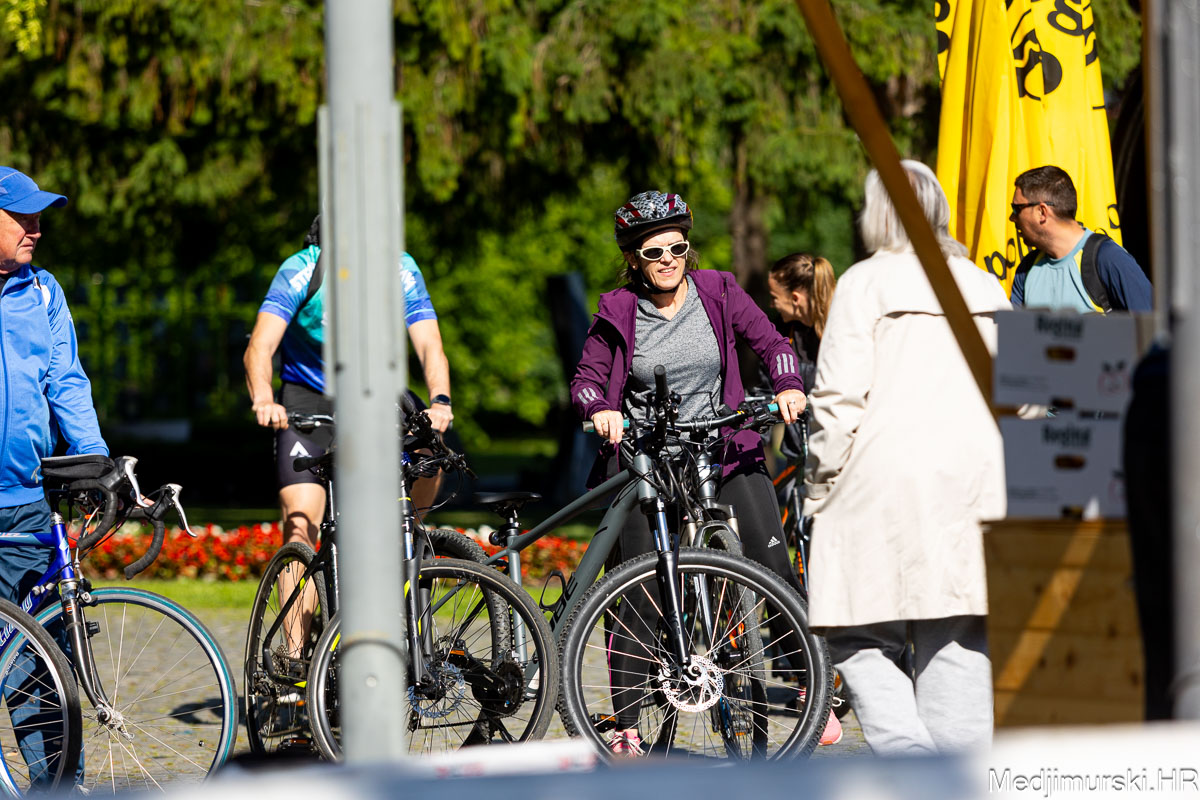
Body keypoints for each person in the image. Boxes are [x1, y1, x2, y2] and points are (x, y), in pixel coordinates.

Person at [570, 189, 841, 754]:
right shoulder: (617, 309)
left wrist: (789, 385)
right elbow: (587, 381)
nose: (668, 260)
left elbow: (773, 344)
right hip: (649, 456)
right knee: (640, 590)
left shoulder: (718, 290)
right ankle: (627, 724)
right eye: (654, 252)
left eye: (677, 248)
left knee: (772, 565)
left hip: (724, 445)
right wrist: (600, 410)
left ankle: (813, 691)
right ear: (634, 259)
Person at [804, 160, 1009, 755]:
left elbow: (838, 399)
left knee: (856, 631)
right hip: (977, 482)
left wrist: (819, 483)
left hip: (882, 478)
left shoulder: (865, 283)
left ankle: (909, 759)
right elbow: (1023, 396)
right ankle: (959, 775)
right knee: (959, 639)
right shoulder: (985, 285)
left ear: (876, 215)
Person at [243, 217, 453, 655]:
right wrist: (264, 398)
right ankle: (296, 661)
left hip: (375, 394)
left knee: (430, 455)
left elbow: (429, 344)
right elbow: (260, 346)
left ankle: (404, 541)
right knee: (301, 524)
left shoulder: (399, 267)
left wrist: (440, 400)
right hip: (310, 400)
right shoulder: (302, 268)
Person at [0, 166, 107, 784]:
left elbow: (66, 381)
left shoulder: (43, 292)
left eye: (39, 217)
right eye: (23, 217)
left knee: (43, 666)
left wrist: (93, 459)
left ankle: (61, 790)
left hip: (25, 504)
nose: (36, 229)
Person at [1009, 165, 1152, 312]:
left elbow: (1153, 323)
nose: (1012, 217)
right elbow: (1014, 327)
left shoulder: (1109, 259)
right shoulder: (1027, 269)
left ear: (1042, 212)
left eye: (1016, 209)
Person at [764, 252, 837, 460]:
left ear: (795, 299)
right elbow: (765, 390)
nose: (772, 305)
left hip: (835, 452)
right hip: (796, 454)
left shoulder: (842, 332)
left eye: (774, 297)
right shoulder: (781, 334)